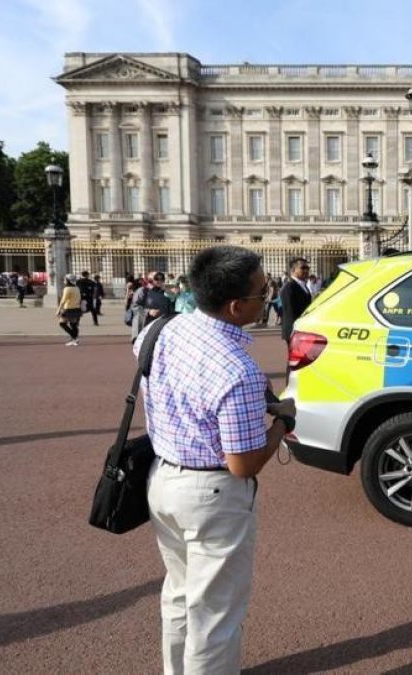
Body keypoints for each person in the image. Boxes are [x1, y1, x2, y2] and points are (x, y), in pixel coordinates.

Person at [137, 246, 295, 674]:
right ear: (235, 306)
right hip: (211, 496)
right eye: (263, 294)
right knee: (216, 615)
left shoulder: (166, 329)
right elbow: (243, 464)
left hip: (162, 478)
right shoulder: (237, 370)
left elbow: (144, 359)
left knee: (179, 593)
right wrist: (282, 425)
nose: (268, 301)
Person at [132, 272, 175, 342]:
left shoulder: (166, 292)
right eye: (156, 278)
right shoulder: (143, 291)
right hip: (145, 325)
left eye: (162, 279)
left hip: (161, 326)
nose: (159, 281)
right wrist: (148, 311)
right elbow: (135, 306)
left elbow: (172, 306)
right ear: (150, 280)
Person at [279, 257, 313, 344]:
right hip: (295, 332)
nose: (306, 270)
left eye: (307, 268)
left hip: (304, 329)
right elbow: (289, 313)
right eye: (303, 268)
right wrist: (294, 333)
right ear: (293, 270)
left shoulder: (303, 285)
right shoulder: (289, 287)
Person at [56, 274, 83, 346]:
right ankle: (74, 339)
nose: (64, 281)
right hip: (76, 308)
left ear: (68, 280)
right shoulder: (76, 288)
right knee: (73, 325)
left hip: (68, 308)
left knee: (62, 323)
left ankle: (74, 337)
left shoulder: (67, 289)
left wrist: (59, 309)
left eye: (65, 279)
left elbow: (63, 300)